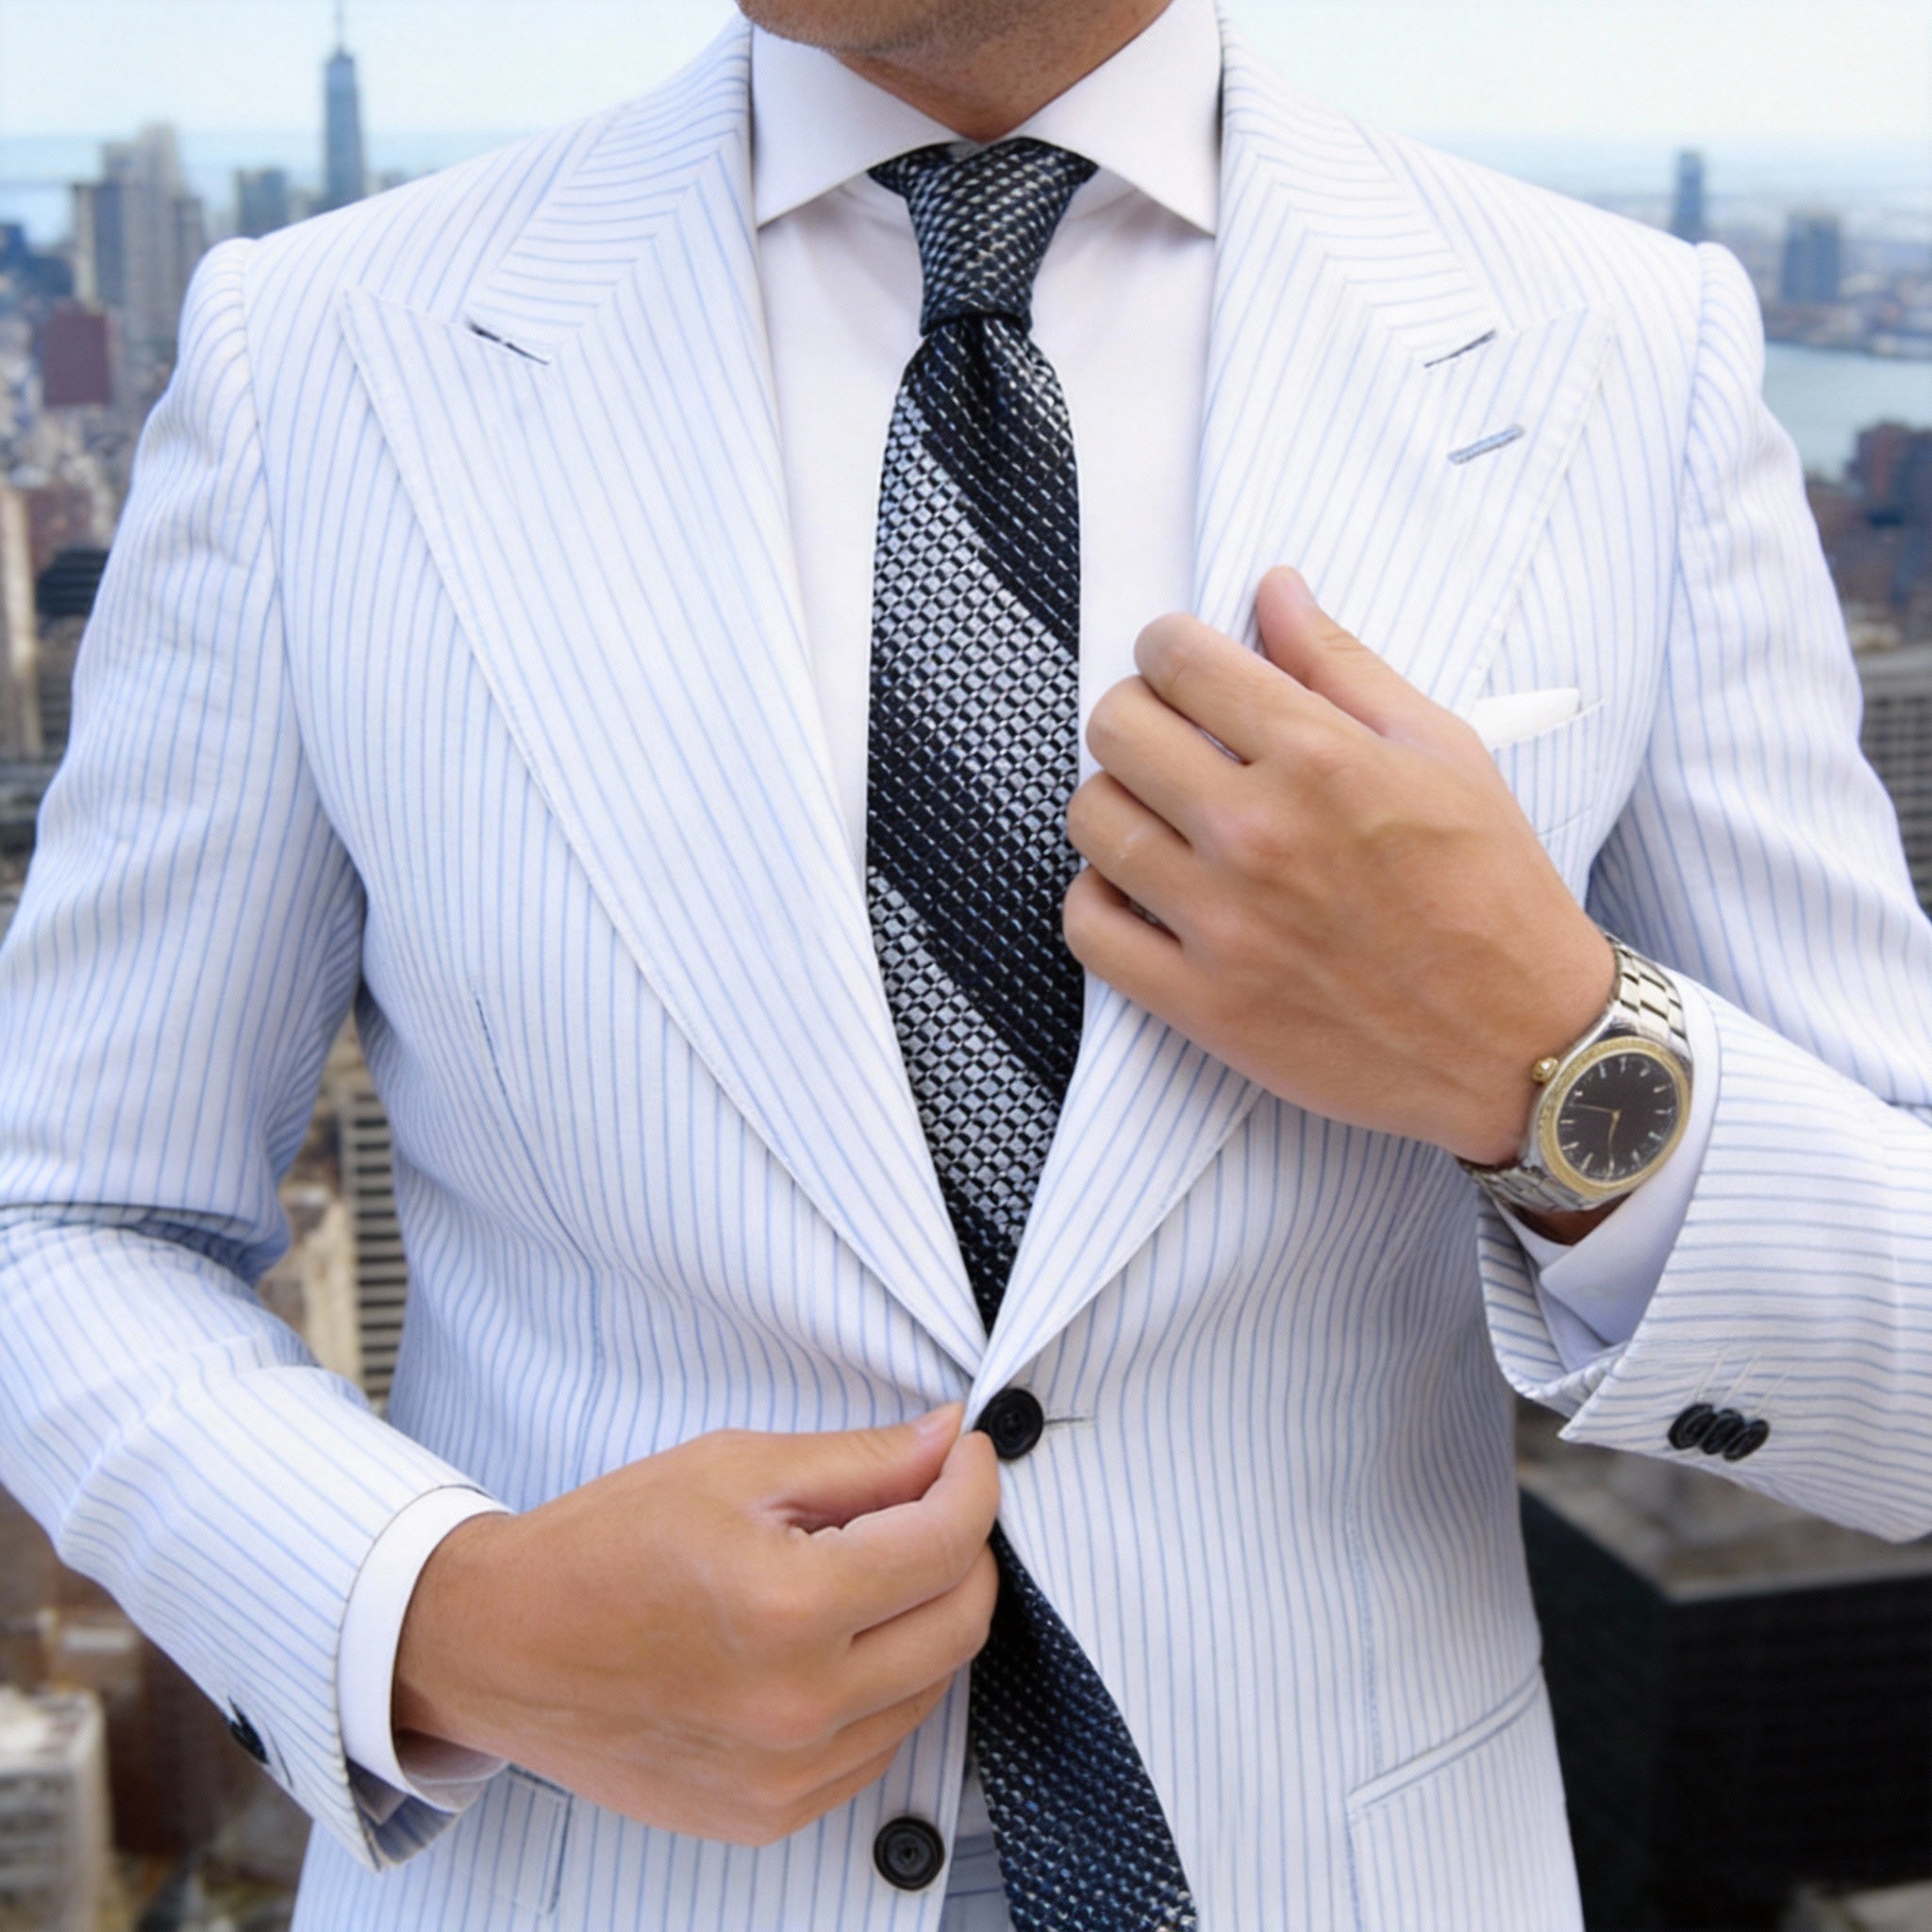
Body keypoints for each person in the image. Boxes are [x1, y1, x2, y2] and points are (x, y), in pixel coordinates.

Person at [2, 0, 1929, 1924]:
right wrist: (441, 1615)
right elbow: (61, 1217)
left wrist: (1551, 1050)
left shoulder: (1624, 358)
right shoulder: (317, 362)